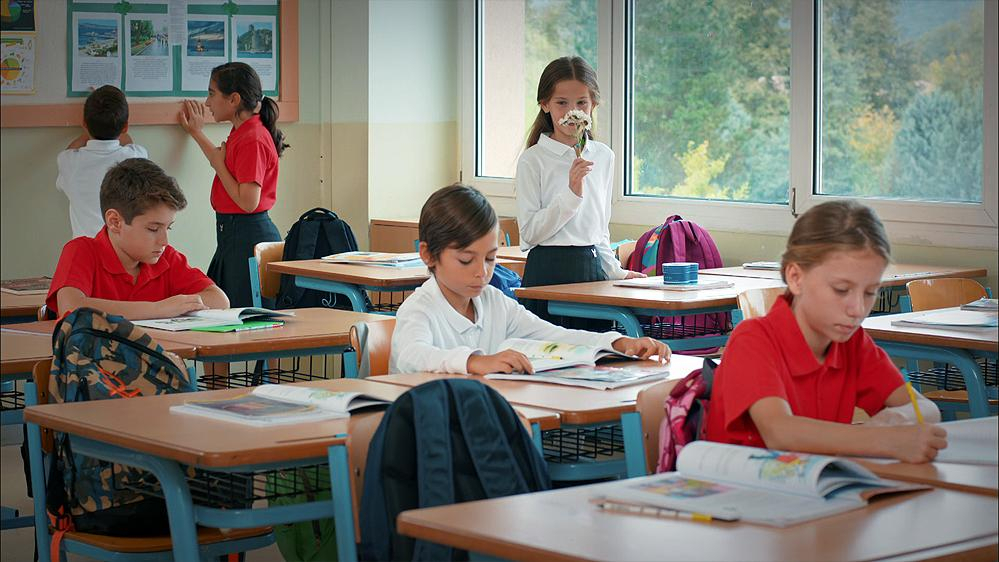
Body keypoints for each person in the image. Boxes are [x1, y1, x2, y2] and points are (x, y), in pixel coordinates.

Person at [705, 200, 947, 463]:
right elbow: (780, 432)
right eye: (841, 290)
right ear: (796, 278)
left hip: (815, 481)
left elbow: (926, 408)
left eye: (870, 292)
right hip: (736, 484)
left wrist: (893, 419)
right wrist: (882, 439)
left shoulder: (852, 344)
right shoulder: (753, 339)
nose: (857, 309)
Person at [389, 183, 670, 375]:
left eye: (490, 258)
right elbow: (412, 356)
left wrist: (617, 343)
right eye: (466, 260)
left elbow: (553, 336)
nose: (481, 272)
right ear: (428, 254)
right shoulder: (420, 309)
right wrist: (475, 361)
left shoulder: (494, 302)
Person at [515, 56, 644, 326]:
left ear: (593, 104)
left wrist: (616, 272)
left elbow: (600, 230)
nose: (572, 112)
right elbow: (529, 234)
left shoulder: (603, 156)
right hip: (547, 272)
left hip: (590, 271)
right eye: (562, 103)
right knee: (548, 348)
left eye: (581, 103)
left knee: (595, 349)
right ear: (545, 104)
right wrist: (571, 195)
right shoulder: (533, 160)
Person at [46, 158, 228, 319]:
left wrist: (176, 306)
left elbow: (219, 300)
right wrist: (158, 309)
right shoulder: (82, 251)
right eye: (153, 229)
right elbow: (71, 307)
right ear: (115, 222)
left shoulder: (166, 259)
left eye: (168, 227)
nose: (164, 241)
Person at [179, 61, 288, 307]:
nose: (207, 103)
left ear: (234, 99)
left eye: (212, 94)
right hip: (233, 236)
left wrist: (218, 164)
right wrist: (197, 133)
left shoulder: (253, 138)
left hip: (247, 236)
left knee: (243, 318)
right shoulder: (243, 131)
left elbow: (248, 202)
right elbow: (222, 163)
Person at [57, 85, 148, 239]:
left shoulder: (69, 162)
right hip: (122, 249)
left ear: (84, 124)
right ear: (125, 127)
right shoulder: (136, 156)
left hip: (86, 250)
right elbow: (128, 143)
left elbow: (69, 152)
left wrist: (91, 127)